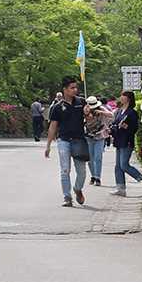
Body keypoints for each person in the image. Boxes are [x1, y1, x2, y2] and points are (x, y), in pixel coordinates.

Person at [44, 77, 91, 207]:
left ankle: (77, 188)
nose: (75, 90)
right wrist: (48, 145)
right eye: (72, 88)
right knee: (65, 170)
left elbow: (90, 120)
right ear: (65, 89)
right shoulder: (57, 107)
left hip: (79, 140)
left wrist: (87, 114)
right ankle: (67, 196)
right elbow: (53, 126)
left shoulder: (81, 102)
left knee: (81, 171)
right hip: (63, 140)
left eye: (76, 87)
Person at [109, 90, 142, 194]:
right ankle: (120, 188)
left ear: (128, 98)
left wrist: (126, 127)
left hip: (127, 141)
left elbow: (134, 128)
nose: (121, 97)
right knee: (118, 166)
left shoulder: (132, 112)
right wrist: (112, 129)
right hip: (119, 140)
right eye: (121, 95)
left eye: (123, 96)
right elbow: (115, 123)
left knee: (124, 165)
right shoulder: (119, 111)